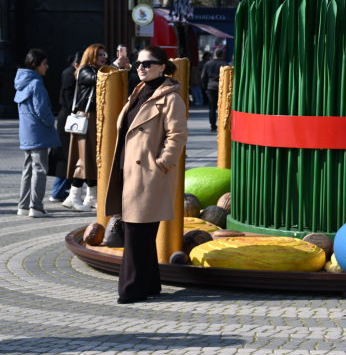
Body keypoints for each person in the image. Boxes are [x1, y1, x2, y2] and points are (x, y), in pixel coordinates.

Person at [105, 46, 187, 304]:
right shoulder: (140, 90)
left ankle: (131, 290)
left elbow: (177, 136)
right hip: (130, 172)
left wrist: (162, 164)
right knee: (140, 233)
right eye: (138, 63)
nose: (141, 67)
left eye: (148, 63)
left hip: (150, 174)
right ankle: (150, 283)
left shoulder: (171, 98)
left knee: (136, 234)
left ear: (162, 67)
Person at [15, 49, 61, 218]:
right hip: (39, 132)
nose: (47, 67)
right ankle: (36, 206)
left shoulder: (21, 82)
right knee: (40, 169)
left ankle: (24, 206)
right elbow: (42, 109)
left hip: (27, 132)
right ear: (35, 65)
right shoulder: (36, 83)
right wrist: (51, 122)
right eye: (44, 63)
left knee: (28, 169)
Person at [65, 44, 109, 212]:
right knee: (84, 157)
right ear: (91, 56)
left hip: (94, 118)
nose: (103, 57)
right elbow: (99, 79)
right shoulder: (86, 71)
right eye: (99, 55)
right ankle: (74, 196)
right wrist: (116, 67)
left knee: (92, 156)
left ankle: (91, 196)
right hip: (86, 118)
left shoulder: (99, 70)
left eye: (105, 54)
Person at [48, 52, 80, 202]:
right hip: (69, 120)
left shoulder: (69, 72)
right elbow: (68, 97)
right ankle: (58, 191)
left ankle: (60, 190)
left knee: (68, 156)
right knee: (66, 156)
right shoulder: (70, 74)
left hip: (68, 119)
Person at [202, 48, 227, 132]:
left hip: (211, 87)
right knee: (222, 107)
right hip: (222, 87)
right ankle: (222, 124)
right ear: (222, 55)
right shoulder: (225, 64)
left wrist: (205, 88)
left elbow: (203, 77)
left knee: (212, 108)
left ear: (214, 54)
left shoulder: (208, 64)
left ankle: (213, 125)